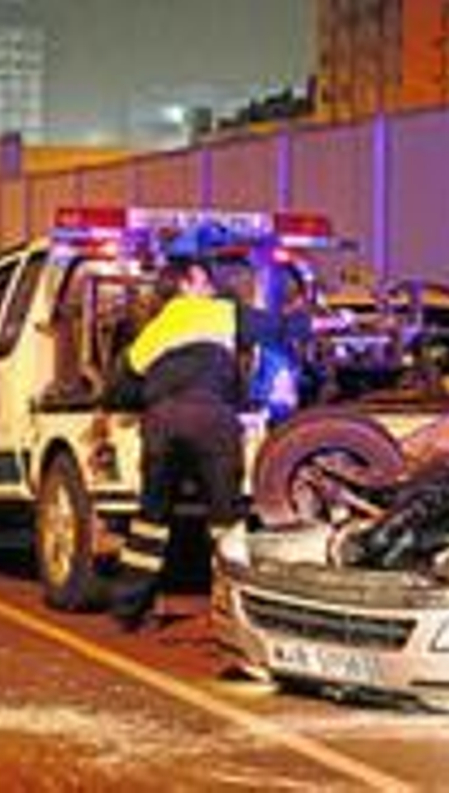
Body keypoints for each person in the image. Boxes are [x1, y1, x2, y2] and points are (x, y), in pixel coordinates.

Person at [110, 254, 326, 630]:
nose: (211, 285)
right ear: (185, 284)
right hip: (211, 421)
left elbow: (121, 386)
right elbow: (277, 330)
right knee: (225, 521)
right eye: (204, 279)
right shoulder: (218, 312)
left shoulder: (154, 330)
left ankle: (128, 611)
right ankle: (235, 611)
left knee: (151, 522)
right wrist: (323, 321)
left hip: (161, 425)